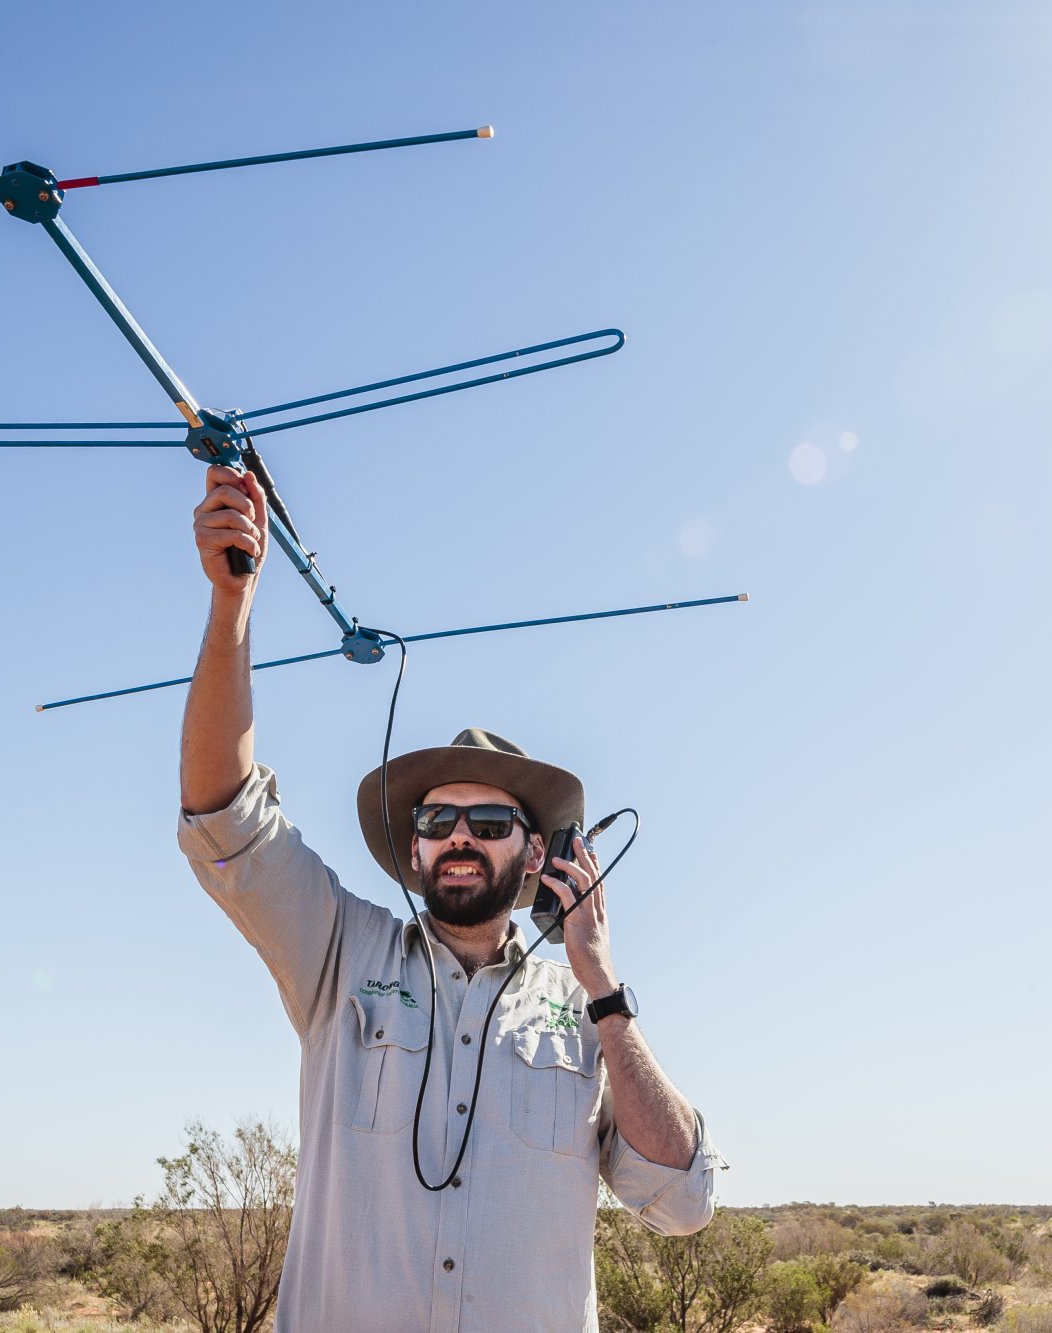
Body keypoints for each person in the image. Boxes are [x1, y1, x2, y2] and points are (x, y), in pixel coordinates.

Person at [176, 463, 722, 1332]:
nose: (459, 833)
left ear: (539, 852)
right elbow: (224, 817)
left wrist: (604, 988)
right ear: (415, 844)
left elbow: (683, 1199)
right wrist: (231, 603)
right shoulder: (339, 955)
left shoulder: (582, 1017)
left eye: (490, 818)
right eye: (438, 816)